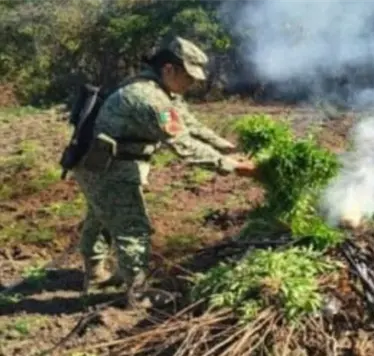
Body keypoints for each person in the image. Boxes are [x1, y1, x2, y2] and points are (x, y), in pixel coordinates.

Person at [72, 36, 257, 307]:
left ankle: (96, 273)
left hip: (101, 164)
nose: (192, 84)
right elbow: (182, 144)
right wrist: (231, 166)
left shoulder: (163, 92)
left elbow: (190, 124)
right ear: (169, 69)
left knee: (100, 217)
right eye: (189, 77)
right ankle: (137, 294)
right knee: (133, 227)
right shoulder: (148, 98)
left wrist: (226, 148)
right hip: (107, 169)